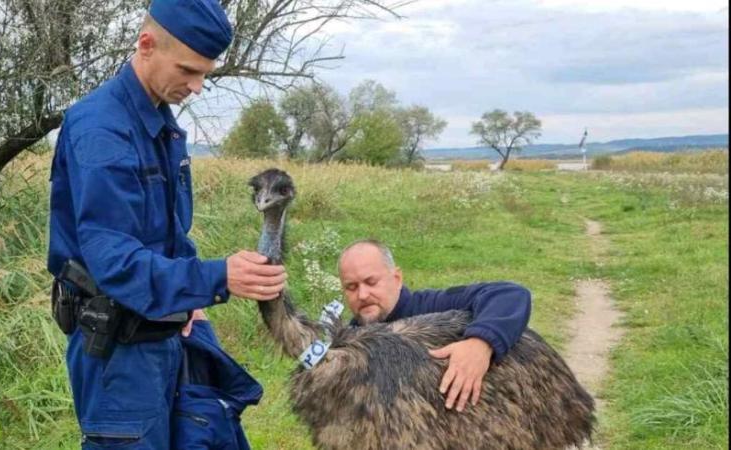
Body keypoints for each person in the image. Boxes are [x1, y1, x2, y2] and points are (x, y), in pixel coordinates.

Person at [47, 1, 285, 447]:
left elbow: (169, 234)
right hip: (119, 352)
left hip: (167, 332)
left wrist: (192, 298)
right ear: (146, 44)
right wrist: (218, 276)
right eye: (188, 71)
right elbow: (113, 261)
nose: (196, 87)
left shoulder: (161, 123)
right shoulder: (101, 129)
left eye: (204, 75)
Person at [337, 239, 531, 413]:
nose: (362, 295)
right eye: (351, 287)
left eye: (371, 282)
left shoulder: (432, 307)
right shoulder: (350, 341)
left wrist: (480, 343)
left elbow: (510, 295)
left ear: (396, 279)